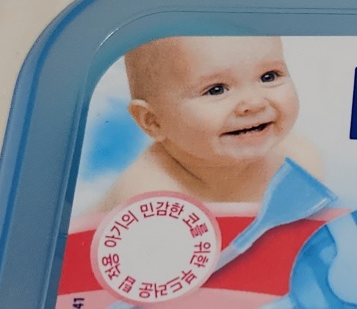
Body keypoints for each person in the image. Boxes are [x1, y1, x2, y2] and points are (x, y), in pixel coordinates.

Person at [93, 35, 323, 211]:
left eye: (269, 76)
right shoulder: (149, 197)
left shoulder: (299, 161)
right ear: (153, 121)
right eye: (216, 90)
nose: (254, 103)